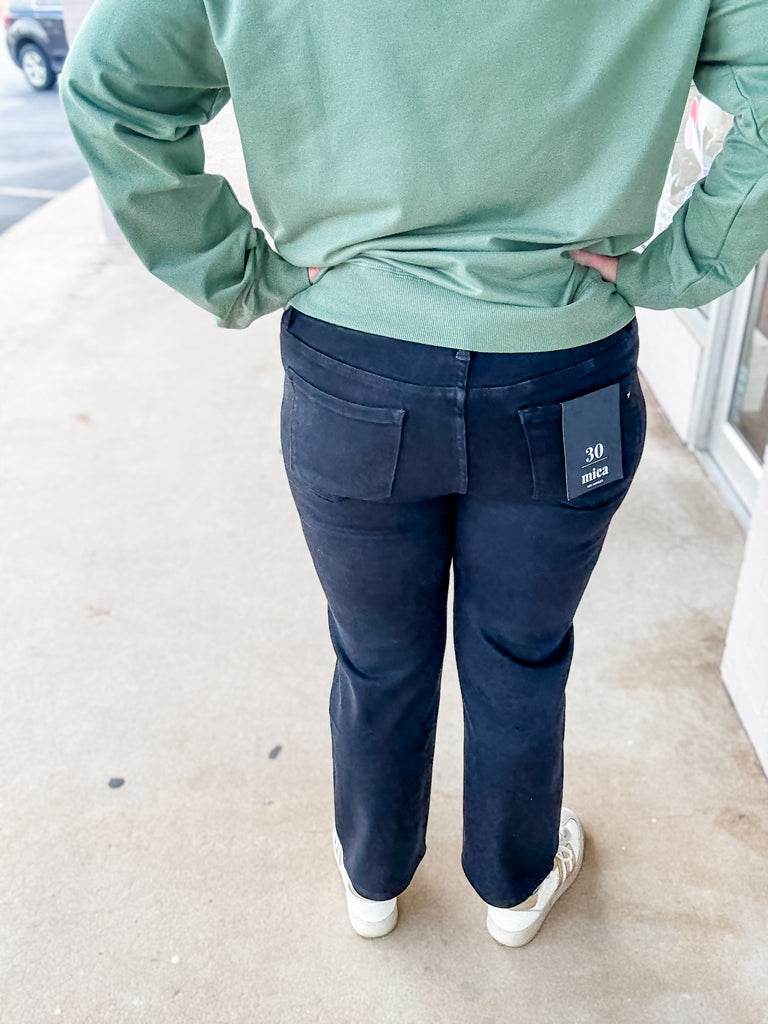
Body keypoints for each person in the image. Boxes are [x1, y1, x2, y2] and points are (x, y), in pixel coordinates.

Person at [60, 0, 768, 946]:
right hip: (563, 367)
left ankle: (374, 874)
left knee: (377, 649)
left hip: (356, 365)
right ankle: (514, 885)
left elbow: (111, 90)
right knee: (520, 652)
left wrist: (235, 269)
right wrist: (682, 267)